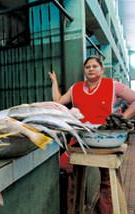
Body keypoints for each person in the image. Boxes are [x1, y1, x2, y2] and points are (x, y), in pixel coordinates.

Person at [48, 55, 135, 213]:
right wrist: (54, 81)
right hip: (80, 140)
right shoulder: (76, 88)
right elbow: (58, 101)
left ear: (102, 69)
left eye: (95, 66)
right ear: (84, 71)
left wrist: (122, 119)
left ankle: (104, 209)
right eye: (88, 67)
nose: (91, 69)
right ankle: (72, 209)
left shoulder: (113, 86)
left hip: (106, 140)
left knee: (107, 179)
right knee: (66, 168)